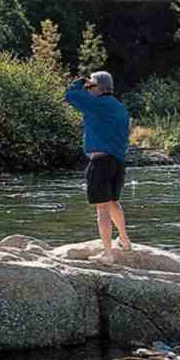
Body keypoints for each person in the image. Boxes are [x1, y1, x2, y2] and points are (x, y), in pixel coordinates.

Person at [65, 70, 132, 263]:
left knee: (102, 209)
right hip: (118, 162)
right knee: (113, 202)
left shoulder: (96, 104)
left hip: (101, 162)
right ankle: (125, 240)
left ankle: (108, 254)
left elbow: (70, 95)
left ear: (98, 87)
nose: (88, 89)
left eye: (91, 86)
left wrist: (80, 82)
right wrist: (90, 86)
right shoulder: (120, 107)